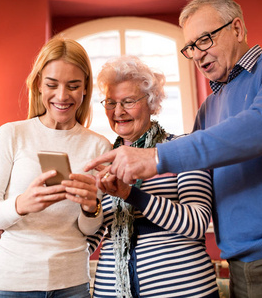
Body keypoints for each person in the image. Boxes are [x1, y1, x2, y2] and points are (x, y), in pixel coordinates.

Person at [85, 0, 262, 297]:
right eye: (190, 47)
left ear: (237, 28)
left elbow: (261, 127)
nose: (197, 54)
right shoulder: (208, 109)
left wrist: (155, 158)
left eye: (205, 39)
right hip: (243, 266)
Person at [0, 36, 112, 298]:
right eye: (52, 84)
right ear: (39, 84)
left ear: (85, 88)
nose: (62, 96)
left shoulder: (99, 147)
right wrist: (22, 204)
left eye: (73, 86)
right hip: (12, 282)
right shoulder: (11, 134)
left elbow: (89, 230)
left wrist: (90, 206)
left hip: (71, 282)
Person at [88, 55, 219, 298]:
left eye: (128, 101)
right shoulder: (103, 160)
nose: (118, 112)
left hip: (182, 290)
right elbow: (92, 238)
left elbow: (197, 223)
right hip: (111, 291)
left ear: (151, 102)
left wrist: (130, 194)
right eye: (110, 102)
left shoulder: (183, 148)